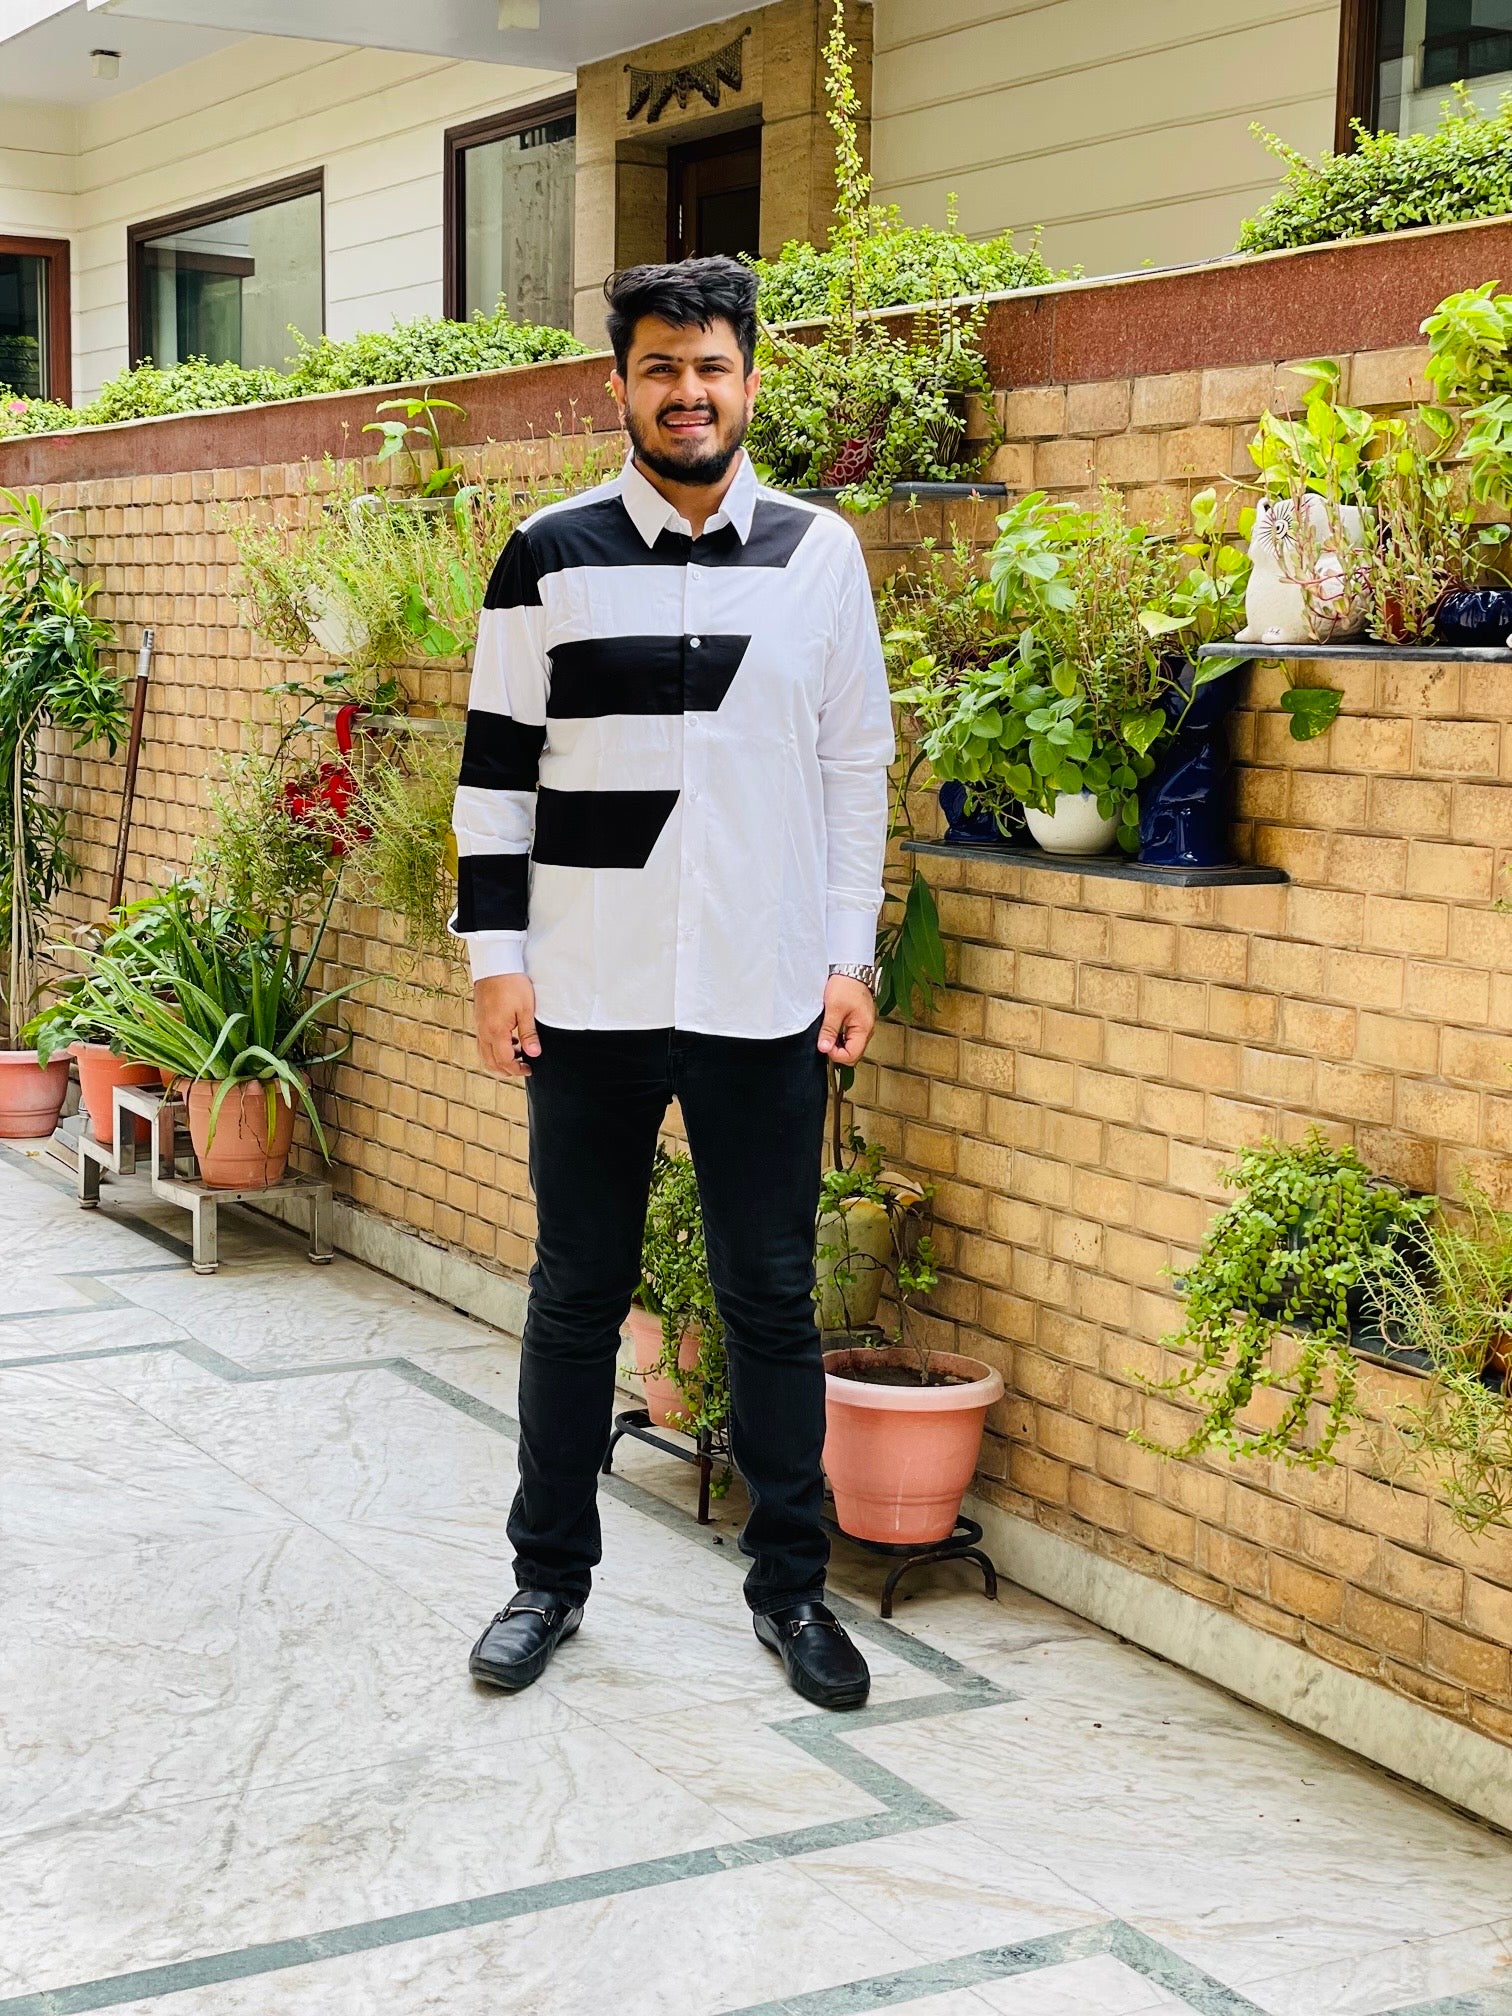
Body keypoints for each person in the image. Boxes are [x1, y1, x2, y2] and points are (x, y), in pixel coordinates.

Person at [450, 255, 893, 1711]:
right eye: (660, 367)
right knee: (576, 1294)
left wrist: (849, 954)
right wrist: (497, 963)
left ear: (749, 381)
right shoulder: (548, 554)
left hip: (764, 995)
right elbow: (496, 773)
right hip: (590, 990)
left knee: (771, 1298)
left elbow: (854, 768)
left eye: (710, 366)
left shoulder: (821, 555)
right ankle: (546, 1580)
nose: (687, 392)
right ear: (621, 384)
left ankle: (794, 1591)